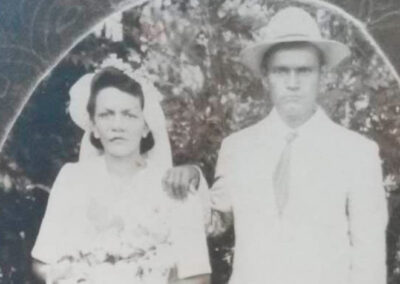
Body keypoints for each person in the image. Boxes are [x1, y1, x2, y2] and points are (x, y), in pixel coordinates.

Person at [164, 7, 388, 284]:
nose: (292, 83)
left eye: (304, 71)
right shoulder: (237, 148)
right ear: (265, 77)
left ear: (322, 75)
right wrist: (193, 179)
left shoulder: (357, 152)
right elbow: (214, 224)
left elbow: (370, 257)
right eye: (282, 71)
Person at [31, 66, 211, 284]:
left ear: (146, 127)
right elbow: (43, 261)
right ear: (94, 127)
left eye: (129, 115)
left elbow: (197, 275)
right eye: (106, 115)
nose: (118, 126)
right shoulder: (72, 179)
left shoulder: (175, 185)